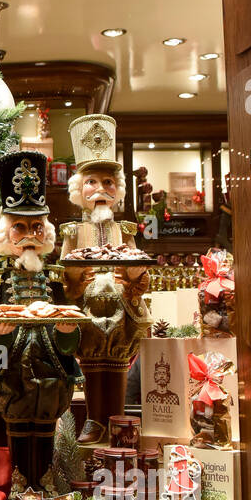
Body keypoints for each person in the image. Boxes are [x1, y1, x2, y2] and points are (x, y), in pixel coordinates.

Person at [0, 150, 81, 498]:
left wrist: (67, 333)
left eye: (36, 227)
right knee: (18, 417)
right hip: (10, 363)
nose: (29, 235)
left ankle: (45, 482)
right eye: (19, 227)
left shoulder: (54, 275)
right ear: (6, 233)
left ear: (45, 231)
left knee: (46, 419)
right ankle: (20, 482)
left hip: (51, 363)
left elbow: (67, 317)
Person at [59, 113, 152, 444]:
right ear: (78, 190)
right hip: (88, 310)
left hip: (121, 308)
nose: (100, 189)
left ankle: (116, 419)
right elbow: (64, 271)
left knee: (117, 364)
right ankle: (93, 419)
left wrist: (135, 281)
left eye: (108, 182)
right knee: (92, 365)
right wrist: (75, 279)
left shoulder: (124, 229)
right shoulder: (73, 231)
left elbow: (137, 264)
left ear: (118, 189)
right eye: (92, 182)